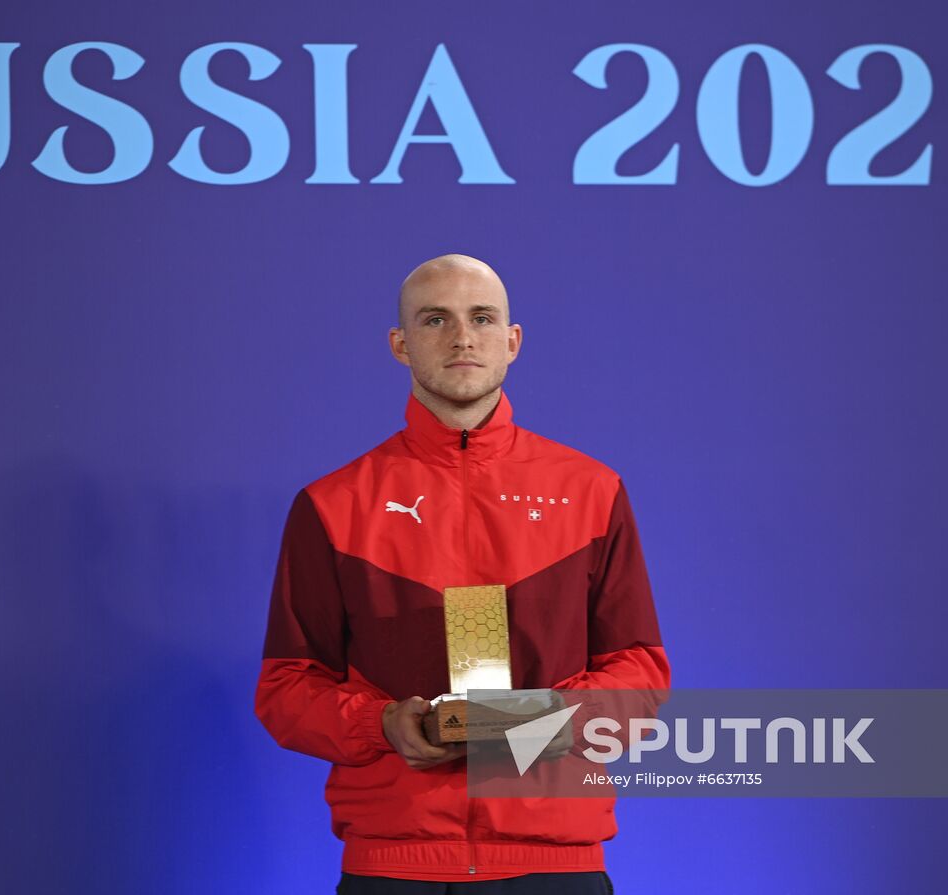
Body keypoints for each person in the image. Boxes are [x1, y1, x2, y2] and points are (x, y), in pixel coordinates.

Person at [256, 254, 670, 893]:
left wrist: (553, 717)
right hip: (394, 866)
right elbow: (286, 691)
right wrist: (384, 723)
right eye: (434, 319)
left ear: (513, 341)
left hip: (553, 864)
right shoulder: (332, 505)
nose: (462, 337)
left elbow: (641, 672)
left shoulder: (592, 490)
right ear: (400, 344)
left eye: (482, 318)